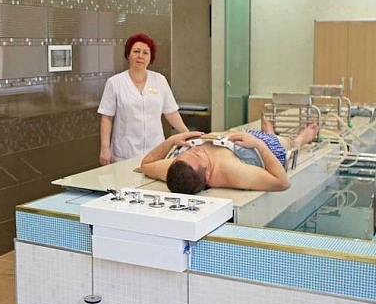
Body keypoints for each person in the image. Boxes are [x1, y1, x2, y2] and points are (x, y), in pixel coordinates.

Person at [140, 119, 320, 193]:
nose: (193, 149)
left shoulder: (178, 169)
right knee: (286, 143)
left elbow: (146, 164)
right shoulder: (230, 172)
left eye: (186, 152)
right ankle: (299, 139)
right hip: (264, 148)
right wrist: (259, 145)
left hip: (234, 138)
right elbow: (282, 182)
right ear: (207, 175)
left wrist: (171, 141)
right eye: (197, 154)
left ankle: (269, 132)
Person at [98, 33, 188, 164]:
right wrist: (105, 148)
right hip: (125, 152)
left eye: (145, 52)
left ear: (150, 58)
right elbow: (107, 117)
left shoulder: (160, 80)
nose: (140, 56)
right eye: (136, 51)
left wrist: (187, 135)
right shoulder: (115, 82)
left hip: (156, 151)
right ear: (128, 55)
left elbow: (171, 112)